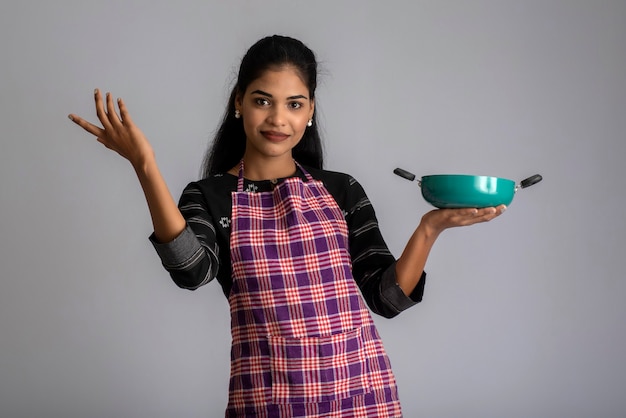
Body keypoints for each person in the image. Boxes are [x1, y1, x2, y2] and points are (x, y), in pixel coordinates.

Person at [68, 35, 505, 418]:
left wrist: (430, 228)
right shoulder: (209, 196)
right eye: (263, 100)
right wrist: (145, 166)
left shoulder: (341, 190)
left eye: (294, 104)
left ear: (310, 110)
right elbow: (191, 270)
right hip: (267, 400)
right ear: (237, 102)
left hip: (362, 396)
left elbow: (386, 297)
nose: (279, 119)